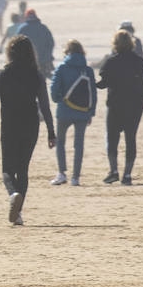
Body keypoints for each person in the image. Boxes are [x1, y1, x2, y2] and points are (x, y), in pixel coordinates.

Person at [0, 35, 56, 223]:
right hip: (30, 125)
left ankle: (13, 195)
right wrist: (51, 131)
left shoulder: (2, 74)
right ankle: (17, 213)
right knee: (23, 169)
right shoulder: (37, 75)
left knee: (7, 169)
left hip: (10, 124)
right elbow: (45, 105)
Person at [96, 29, 143, 185]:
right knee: (130, 139)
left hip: (115, 106)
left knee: (112, 139)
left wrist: (91, 83)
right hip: (134, 107)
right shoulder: (139, 61)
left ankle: (113, 171)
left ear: (115, 44)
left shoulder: (111, 61)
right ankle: (127, 175)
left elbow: (103, 83)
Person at [48, 40, 96, 187]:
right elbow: (93, 93)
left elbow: (54, 89)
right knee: (79, 144)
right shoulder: (87, 70)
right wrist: (91, 112)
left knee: (61, 142)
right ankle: (75, 178)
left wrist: (58, 100)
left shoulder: (62, 68)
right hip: (82, 112)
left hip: (64, 111)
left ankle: (62, 174)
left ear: (67, 52)